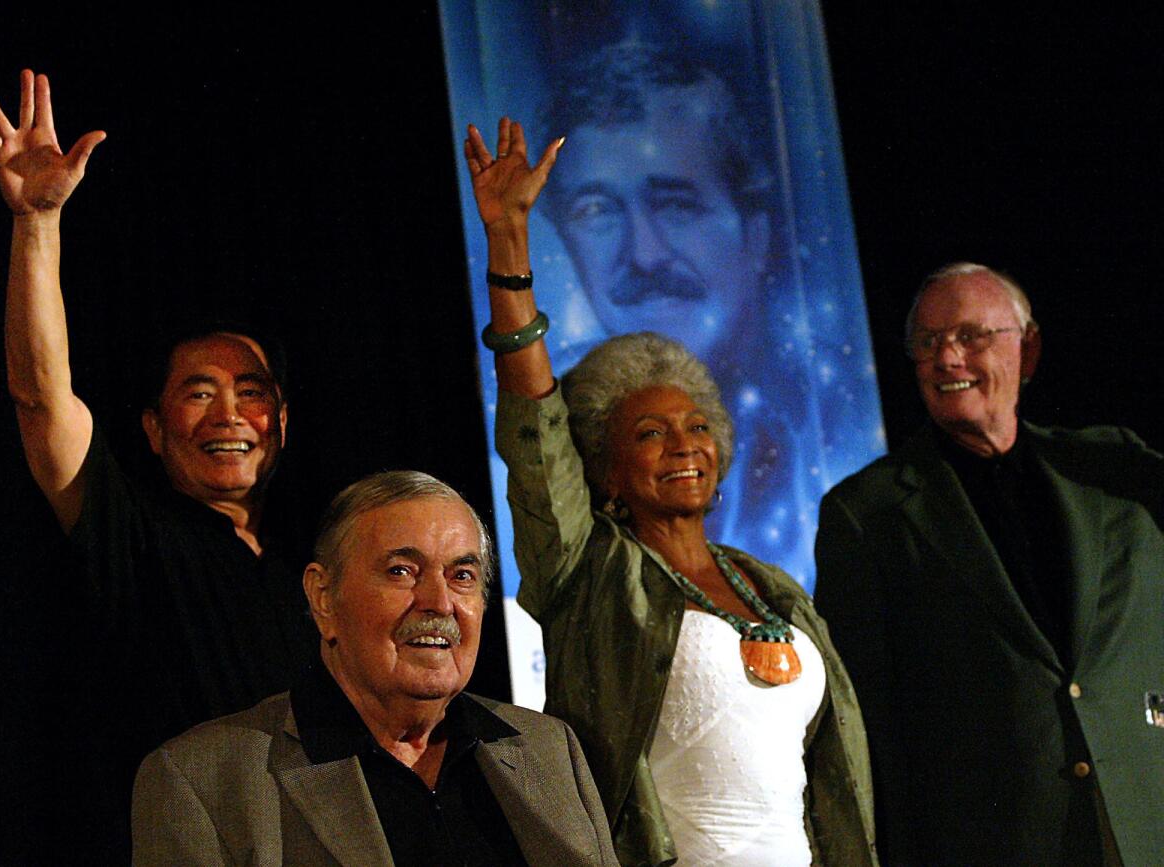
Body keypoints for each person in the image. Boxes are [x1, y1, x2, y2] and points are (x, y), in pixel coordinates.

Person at [465, 117, 876, 866]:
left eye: (695, 425)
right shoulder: (587, 573)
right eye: (650, 432)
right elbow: (535, 431)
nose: (682, 443)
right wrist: (509, 244)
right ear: (604, 469)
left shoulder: (772, 589)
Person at [0, 70, 311, 855]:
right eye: (199, 394)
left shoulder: (321, 560)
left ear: (284, 422)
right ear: (155, 430)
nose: (230, 415)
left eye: (251, 392)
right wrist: (37, 223)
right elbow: (41, 399)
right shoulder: (135, 534)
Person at [814, 263, 1164, 866]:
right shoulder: (866, 514)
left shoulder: (1112, 470)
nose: (947, 358)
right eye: (927, 343)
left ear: (1027, 351)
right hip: (995, 841)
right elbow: (869, 720)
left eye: (971, 336)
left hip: (1142, 817)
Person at [132, 471, 617, 866]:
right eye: (401, 572)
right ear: (324, 598)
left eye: (462, 576)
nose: (439, 602)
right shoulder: (203, 781)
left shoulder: (550, 750)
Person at [535, 41, 883, 582]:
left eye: (676, 204)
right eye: (597, 211)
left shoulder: (843, 444)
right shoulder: (541, 454)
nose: (644, 253)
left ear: (758, 234)